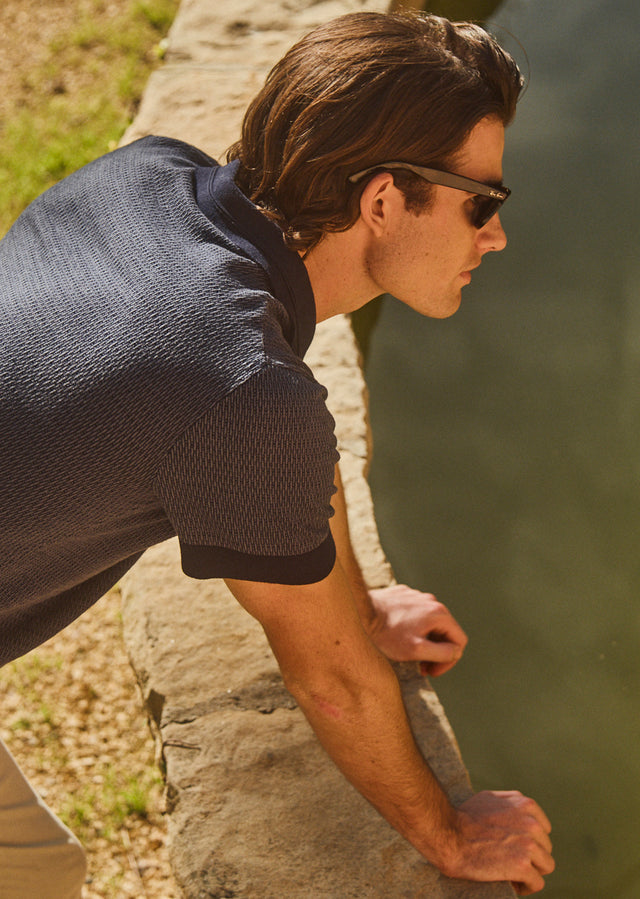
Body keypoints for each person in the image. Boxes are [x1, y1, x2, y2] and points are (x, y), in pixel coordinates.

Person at [0, 9, 555, 897]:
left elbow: (276, 435)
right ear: (382, 200)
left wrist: (357, 605)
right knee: (29, 877)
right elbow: (331, 680)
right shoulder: (239, 382)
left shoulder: (147, 175)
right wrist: (451, 835)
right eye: (481, 202)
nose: (492, 235)